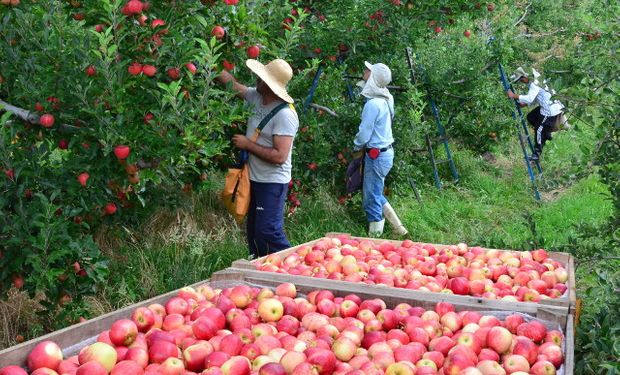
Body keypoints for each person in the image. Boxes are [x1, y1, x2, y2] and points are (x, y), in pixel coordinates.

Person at [216, 59, 299, 258]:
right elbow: (233, 86)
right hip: (252, 179)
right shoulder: (256, 96)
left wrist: (248, 145)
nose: (257, 79)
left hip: (272, 182)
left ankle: (293, 267)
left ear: (270, 84)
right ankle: (261, 272)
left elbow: (280, 156)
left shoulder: (285, 115)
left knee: (267, 232)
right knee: (254, 232)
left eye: (262, 77)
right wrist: (210, 64)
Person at [353, 61, 408, 237]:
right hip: (385, 153)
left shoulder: (373, 104)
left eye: (369, 71)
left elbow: (364, 132)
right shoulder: (387, 97)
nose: (364, 72)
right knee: (375, 191)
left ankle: (375, 236)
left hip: (376, 155)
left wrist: (356, 145)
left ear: (374, 78)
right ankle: (398, 228)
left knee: (371, 197)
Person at [507, 67, 563, 161]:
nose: (521, 81)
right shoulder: (536, 79)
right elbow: (538, 97)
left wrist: (514, 96)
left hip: (550, 110)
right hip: (548, 106)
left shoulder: (534, 83)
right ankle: (546, 132)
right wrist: (525, 104)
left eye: (521, 79)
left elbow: (530, 98)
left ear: (525, 76)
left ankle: (537, 154)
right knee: (531, 117)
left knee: (538, 129)